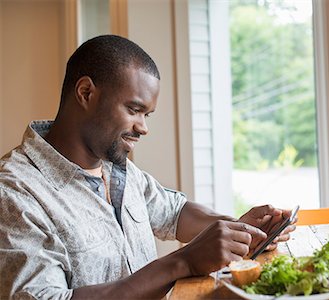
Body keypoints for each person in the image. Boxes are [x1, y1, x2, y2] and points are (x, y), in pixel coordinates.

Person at [0, 35, 296, 299]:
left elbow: (174, 213)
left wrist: (241, 230)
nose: (143, 128)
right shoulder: (14, 193)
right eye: (134, 110)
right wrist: (183, 262)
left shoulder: (116, 166)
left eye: (148, 115)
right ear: (86, 93)